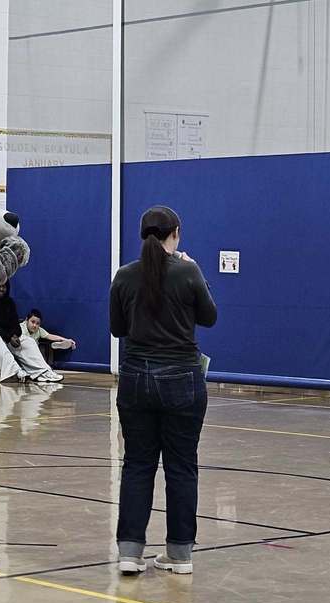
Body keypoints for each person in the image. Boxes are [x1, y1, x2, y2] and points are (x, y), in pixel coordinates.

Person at [110, 205, 217, 577]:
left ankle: (130, 551)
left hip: (136, 377)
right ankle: (180, 554)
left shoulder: (124, 276)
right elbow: (209, 316)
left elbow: (116, 327)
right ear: (176, 233)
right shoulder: (188, 270)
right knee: (182, 466)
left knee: (137, 464)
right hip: (183, 379)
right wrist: (196, 275)